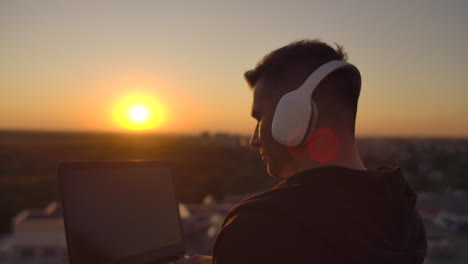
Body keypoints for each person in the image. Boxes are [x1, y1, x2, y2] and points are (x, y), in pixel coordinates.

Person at [177, 40, 427, 264]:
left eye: (260, 118)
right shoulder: (402, 209)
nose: (254, 140)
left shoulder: (259, 226)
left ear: (294, 115)